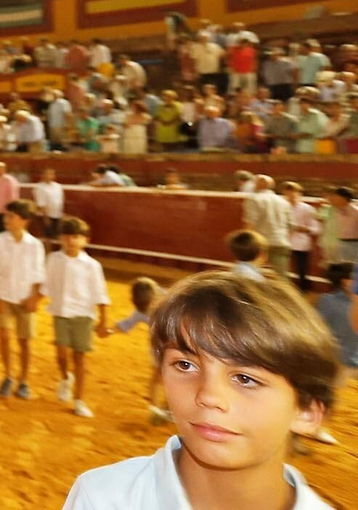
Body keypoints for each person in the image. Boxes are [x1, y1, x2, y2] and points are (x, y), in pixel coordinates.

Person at [63, 270, 339, 509]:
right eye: (185, 365)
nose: (208, 396)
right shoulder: (101, 499)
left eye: (245, 379)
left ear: (307, 412)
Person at [43, 217, 110, 418]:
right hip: (60, 312)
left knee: (79, 357)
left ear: (85, 240)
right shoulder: (53, 259)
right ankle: (66, 378)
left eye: (76, 237)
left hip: (83, 315)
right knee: (61, 354)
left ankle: (79, 400)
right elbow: (47, 284)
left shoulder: (92, 265)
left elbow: (100, 293)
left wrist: (103, 320)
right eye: (67, 236)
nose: (71, 241)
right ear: (61, 238)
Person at [0, 199, 45, 401]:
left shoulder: (35, 246)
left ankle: (24, 380)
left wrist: (34, 299)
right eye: (7, 215)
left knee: (24, 341)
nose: (6, 219)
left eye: (11, 216)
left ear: (24, 220)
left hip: (24, 298)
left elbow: (39, 275)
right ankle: (8, 375)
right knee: (4, 336)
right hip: (4, 296)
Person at [112, 277, 170, 424]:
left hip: (179, 345)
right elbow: (127, 323)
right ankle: (156, 409)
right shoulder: (141, 311)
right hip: (160, 345)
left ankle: (167, 408)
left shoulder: (173, 299)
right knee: (159, 375)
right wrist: (109, 330)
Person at [243, 175, 292, 278]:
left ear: (258, 185)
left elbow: (251, 222)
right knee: (281, 276)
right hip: (280, 242)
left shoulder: (254, 199)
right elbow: (291, 225)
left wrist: (245, 242)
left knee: (253, 275)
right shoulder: (283, 201)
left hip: (260, 242)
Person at [282, 182, 321, 294]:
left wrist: (302, 229)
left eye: (294, 192)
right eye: (288, 193)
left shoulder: (307, 209)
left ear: (299, 193)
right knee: (283, 267)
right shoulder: (282, 207)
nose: (291, 195)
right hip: (284, 240)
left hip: (301, 243)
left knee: (302, 269)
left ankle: (303, 290)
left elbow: (316, 229)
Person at [34, 167, 65, 240]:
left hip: (57, 215)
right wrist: (46, 218)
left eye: (51, 174)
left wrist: (61, 214)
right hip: (46, 216)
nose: (49, 176)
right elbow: (41, 203)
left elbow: (60, 201)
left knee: (57, 236)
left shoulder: (58, 186)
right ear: (42, 175)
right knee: (47, 238)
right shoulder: (39, 187)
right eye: (47, 174)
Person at [0, 161, 20, 234]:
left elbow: (13, 196)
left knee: (6, 231)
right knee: (0, 231)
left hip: (6, 211)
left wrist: (10, 210)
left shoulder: (9, 180)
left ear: (3, 169)